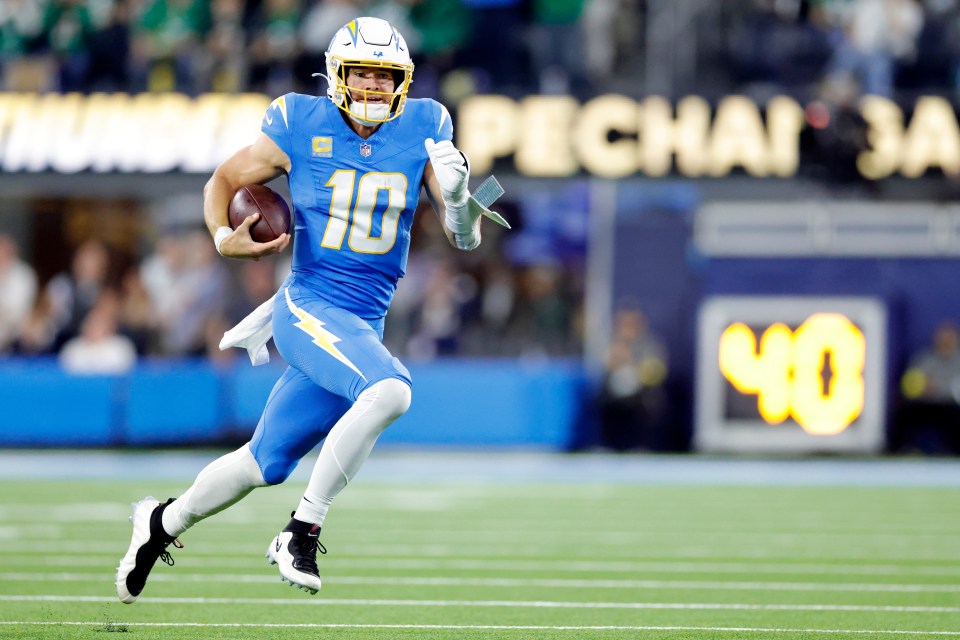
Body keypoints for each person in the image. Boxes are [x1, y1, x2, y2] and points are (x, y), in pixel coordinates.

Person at [116, 16, 500, 603]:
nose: (373, 89)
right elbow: (222, 179)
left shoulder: (427, 124)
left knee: (261, 463)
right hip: (308, 303)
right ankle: (301, 530)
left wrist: (459, 202)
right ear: (336, 76)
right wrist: (223, 238)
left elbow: (464, 238)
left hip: (361, 321)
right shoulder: (298, 121)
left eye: (384, 77)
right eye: (361, 76)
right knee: (392, 390)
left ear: (404, 80)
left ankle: (159, 523)